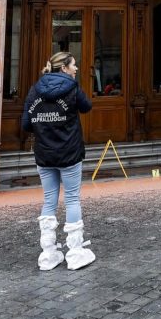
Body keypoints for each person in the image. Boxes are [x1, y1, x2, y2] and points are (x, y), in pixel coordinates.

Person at [21, 51, 96, 271]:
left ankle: (48, 254)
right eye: (73, 65)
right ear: (63, 68)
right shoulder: (72, 87)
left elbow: (26, 124)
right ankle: (74, 252)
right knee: (72, 198)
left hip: (44, 154)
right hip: (69, 152)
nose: (76, 69)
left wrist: (45, 124)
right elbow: (87, 107)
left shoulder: (35, 90)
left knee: (49, 200)